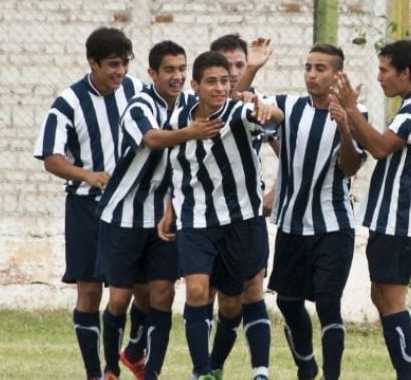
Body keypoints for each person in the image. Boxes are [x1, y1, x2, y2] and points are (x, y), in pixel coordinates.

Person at [95, 41, 224, 380]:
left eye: (182, 69)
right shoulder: (139, 104)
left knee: (163, 294)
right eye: (169, 70)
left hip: (165, 217)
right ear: (153, 73)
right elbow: (151, 139)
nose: (177, 76)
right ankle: (110, 367)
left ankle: (151, 372)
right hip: (123, 214)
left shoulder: (192, 106)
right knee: (122, 299)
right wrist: (188, 132)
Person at [162, 51, 284, 380]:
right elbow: (178, 170)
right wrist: (170, 208)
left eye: (225, 82)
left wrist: (266, 109)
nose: (219, 88)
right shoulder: (177, 121)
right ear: (195, 86)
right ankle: (201, 372)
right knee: (198, 291)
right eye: (211, 82)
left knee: (236, 302)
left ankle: (230, 367)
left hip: (242, 220)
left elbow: (268, 115)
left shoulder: (241, 113)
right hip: (196, 221)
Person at [332, 39, 411, 380]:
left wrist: (351, 109)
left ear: (405, 72)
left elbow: (380, 147)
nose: (380, 77)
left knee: (391, 299)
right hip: (394, 216)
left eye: (384, 70)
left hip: (404, 216)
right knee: (382, 295)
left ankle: (410, 375)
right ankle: (408, 372)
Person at [33, 27, 143, 380]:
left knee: (135, 290)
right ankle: (97, 373)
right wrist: (87, 175)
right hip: (86, 208)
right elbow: (51, 157)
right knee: (91, 291)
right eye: (112, 64)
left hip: (130, 207)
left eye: (124, 64)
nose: (120, 72)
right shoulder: (69, 102)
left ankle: (125, 357)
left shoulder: (137, 90)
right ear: (92, 63)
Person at [267, 43, 367, 380]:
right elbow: (266, 118)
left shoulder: (357, 112)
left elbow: (351, 167)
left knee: (327, 303)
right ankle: (306, 364)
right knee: (287, 302)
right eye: (308, 67)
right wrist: (252, 99)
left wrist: (344, 126)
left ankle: (331, 376)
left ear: (337, 75)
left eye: (320, 68)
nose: (311, 75)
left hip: (333, 225)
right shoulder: (289, 105)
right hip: (292, 225)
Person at [205, 34, 276, 380]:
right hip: (209, 219)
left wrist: (275, 191)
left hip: (248, 217)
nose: (233, 72)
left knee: (253, 289)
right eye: (227, 65)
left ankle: (260, 372)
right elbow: (226, 104)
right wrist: (252, 70)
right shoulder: (202, 104)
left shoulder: (257, 104)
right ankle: (213, 365)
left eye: (239, 64)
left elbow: (288, 149)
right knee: (226, 303)